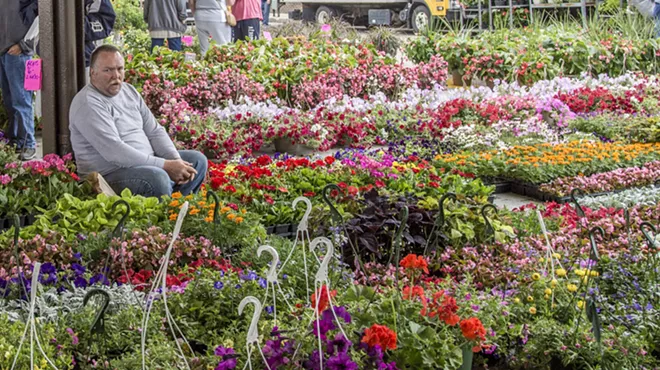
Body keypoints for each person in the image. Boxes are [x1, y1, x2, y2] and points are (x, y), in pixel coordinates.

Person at [69, 45, 207, 199]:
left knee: (197, 161)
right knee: (158, 178)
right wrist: (166, 166)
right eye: (108, 70)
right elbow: (116, 152)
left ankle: (175, 211)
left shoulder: (129, 91)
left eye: (120, 69)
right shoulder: (88, 102)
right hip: (109, 175)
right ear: (92, 73)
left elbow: (155, 131)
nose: (116, 76)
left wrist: (176, 160)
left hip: (146, 164)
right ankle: (163, 215)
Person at [20, 0, 116, 78]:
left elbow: (105, 20)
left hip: (83, 64)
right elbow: (25, 14)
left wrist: (70, 23)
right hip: (47, 61)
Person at [1, 0, 39, 160]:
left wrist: (24, 45)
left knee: (22, 100)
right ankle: (15, 141)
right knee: (10, 101)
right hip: (3, 53)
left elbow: (41, 16)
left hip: (20, 54)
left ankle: (28, 144)